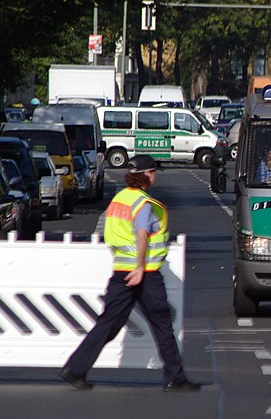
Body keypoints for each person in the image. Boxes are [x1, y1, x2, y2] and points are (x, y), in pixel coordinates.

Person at [60, 155, 200, 392]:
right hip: (144, 274)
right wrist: (139, 268)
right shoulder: (142, 203)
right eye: (154, 172)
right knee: (162, 325)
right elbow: (142, 234)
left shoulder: (119, 199)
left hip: (121, 271)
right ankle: (175, 378)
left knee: (109, 323)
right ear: (146, 175)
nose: (155, 176)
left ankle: (76, 368)